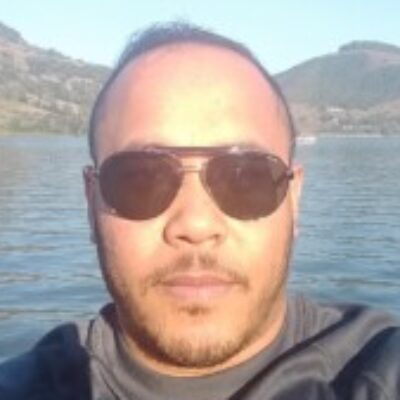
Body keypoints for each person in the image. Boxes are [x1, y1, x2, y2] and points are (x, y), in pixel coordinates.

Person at [0, 22, 399, 400]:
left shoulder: (378, 368)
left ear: (294, 201)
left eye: (246, 178)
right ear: (92, 204)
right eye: (140, 180)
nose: (196, 223)